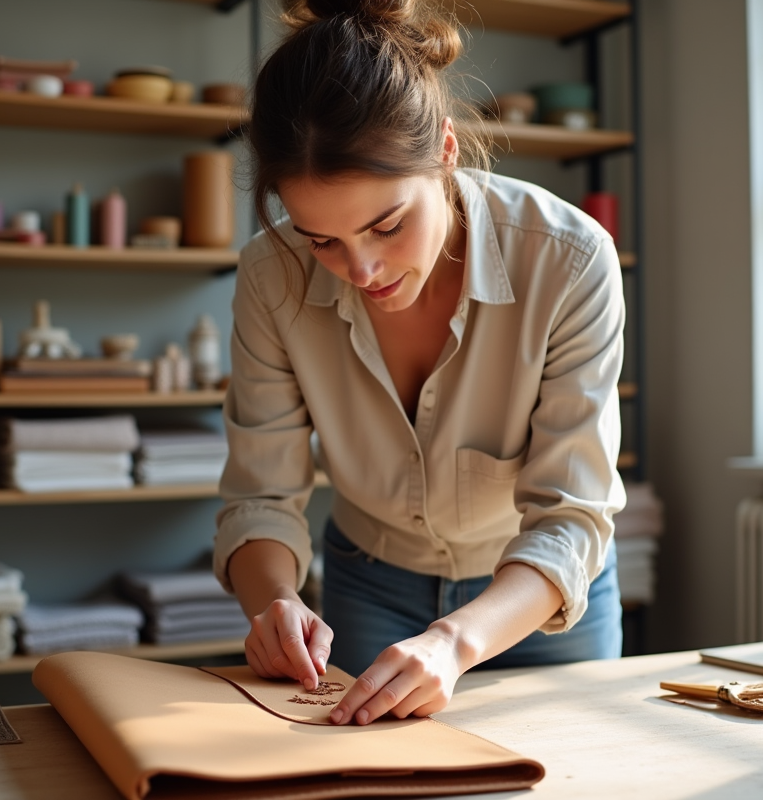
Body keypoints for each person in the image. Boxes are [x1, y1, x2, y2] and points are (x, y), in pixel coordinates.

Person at [214, 0, 626, 727]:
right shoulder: (268, 277)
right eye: (322, 241)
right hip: (369, 592)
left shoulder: (570, 259)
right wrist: (276, 604)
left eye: (387, 224)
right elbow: (261, 497)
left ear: (444, 149)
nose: (362, 269)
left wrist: (454, 642)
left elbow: (571, 514)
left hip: (536, 601)